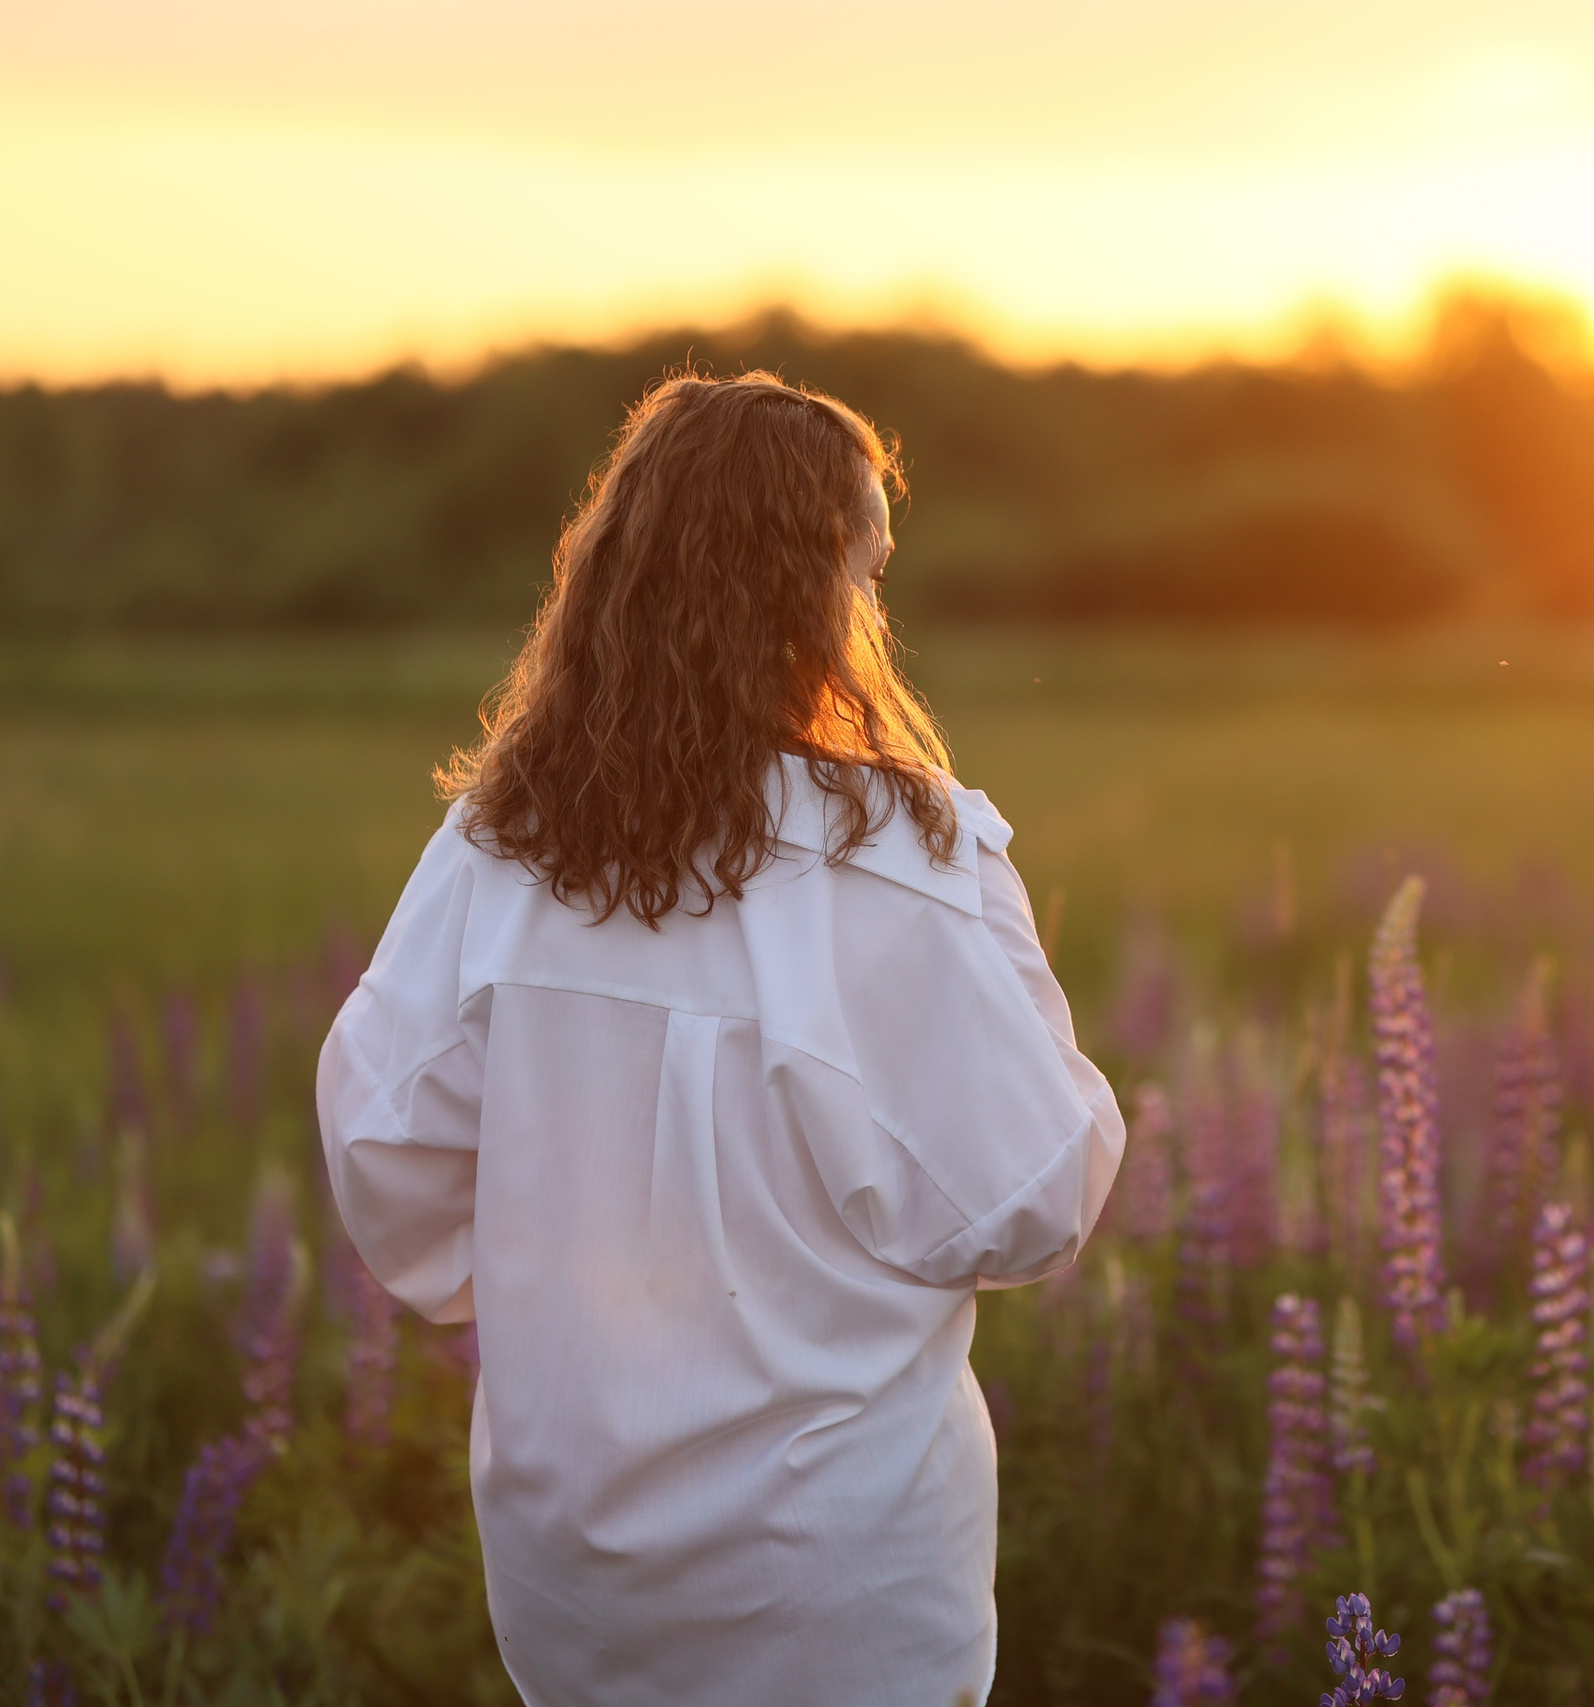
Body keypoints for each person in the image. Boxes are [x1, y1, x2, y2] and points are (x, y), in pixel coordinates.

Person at [316, 371, 1123, 1705]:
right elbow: (1034, 1198)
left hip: (574, 1573)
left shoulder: (496, 845)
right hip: (841, 1578)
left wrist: (550, 1269)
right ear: (811, 594)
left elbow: (385, 1151)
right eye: (865, 576)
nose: (873, 616)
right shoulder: (904, 855)